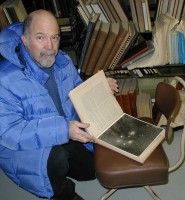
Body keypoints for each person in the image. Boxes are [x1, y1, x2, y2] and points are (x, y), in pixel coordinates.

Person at [0, 9, 118, 200]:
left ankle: (64, 163)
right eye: (40, 38)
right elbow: (9, 133)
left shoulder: (62, 60)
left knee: (91, 171)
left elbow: (76, 90)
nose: (50, 47)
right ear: (25, 40)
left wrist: (97, 87)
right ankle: (63, 193)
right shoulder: (4, 79)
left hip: (63, 131)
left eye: (54, 37)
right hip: (23, 147)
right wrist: (63, 130)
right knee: (57, 160)